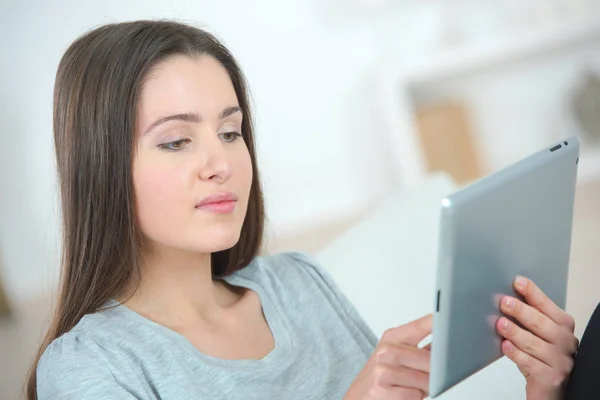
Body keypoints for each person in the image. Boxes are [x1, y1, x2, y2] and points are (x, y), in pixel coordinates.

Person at [27, 20, 579, 400]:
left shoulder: (297, 284)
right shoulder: (90, 367)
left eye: (230, 130)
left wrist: (545, 388)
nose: (221, 162)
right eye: (176, 141)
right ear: (100, 169)